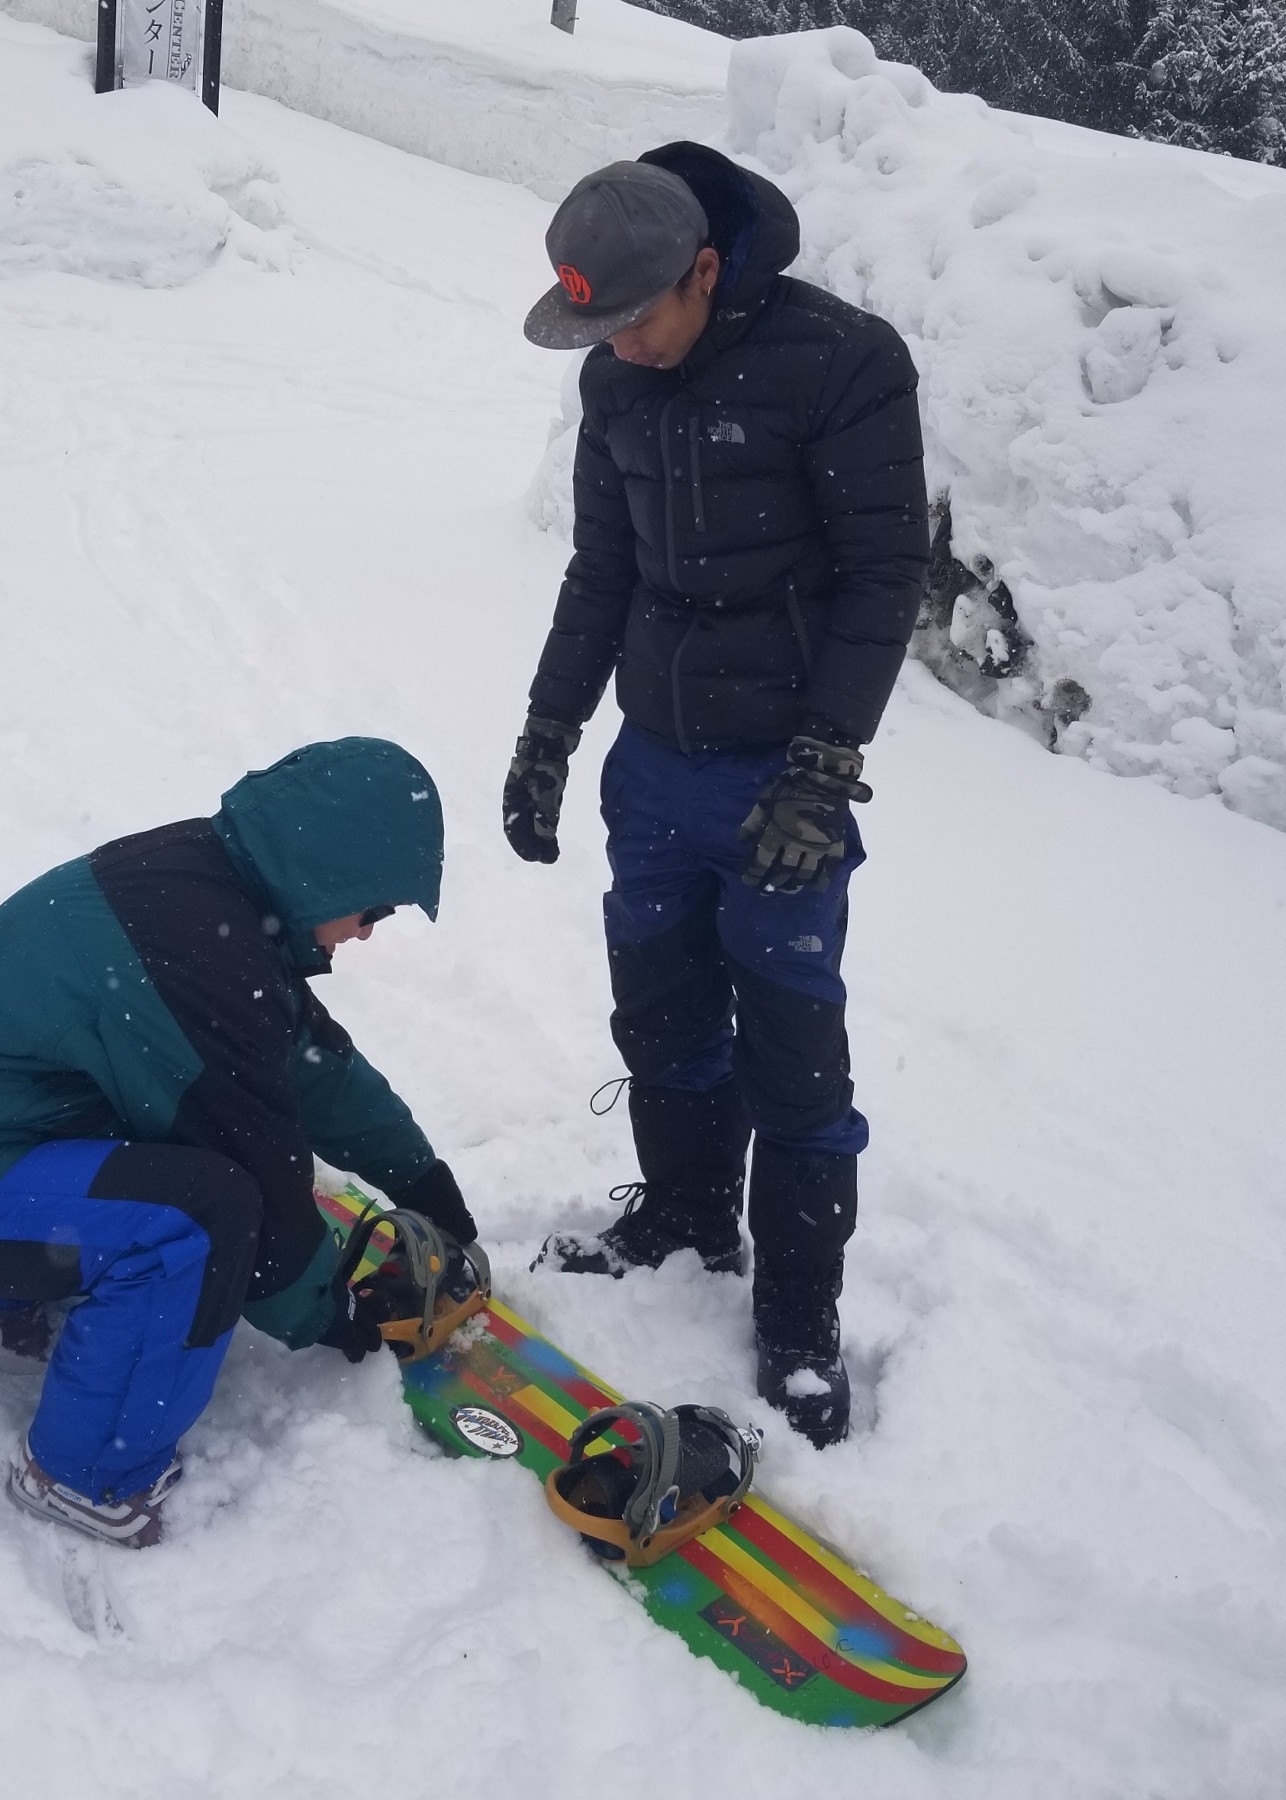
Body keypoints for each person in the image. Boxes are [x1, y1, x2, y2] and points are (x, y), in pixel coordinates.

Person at [505, 146, 929, 1448]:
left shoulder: (843, 363)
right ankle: (688, 1220)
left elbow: (881, 576)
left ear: (703, 271)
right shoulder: (612, 386)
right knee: (662, 1013)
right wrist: (550, 731)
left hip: (780, 780)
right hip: (655, 766)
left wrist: (824, 764)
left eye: (635, 318)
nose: (619, 349)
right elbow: (601, 572)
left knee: (796, 1065)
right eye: (598, 327)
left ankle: (800, 1330)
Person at [0, 738, 476, 1546]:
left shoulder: (207, 888)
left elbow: (307, 1064)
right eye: (376, 909)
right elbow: (256, 1168)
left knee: (170, 1145)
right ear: (328, 873)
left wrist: (420, 1175)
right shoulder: (196, 953)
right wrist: (333, 1313)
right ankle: (84, 1476)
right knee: (201, 1217)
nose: (372, 932)